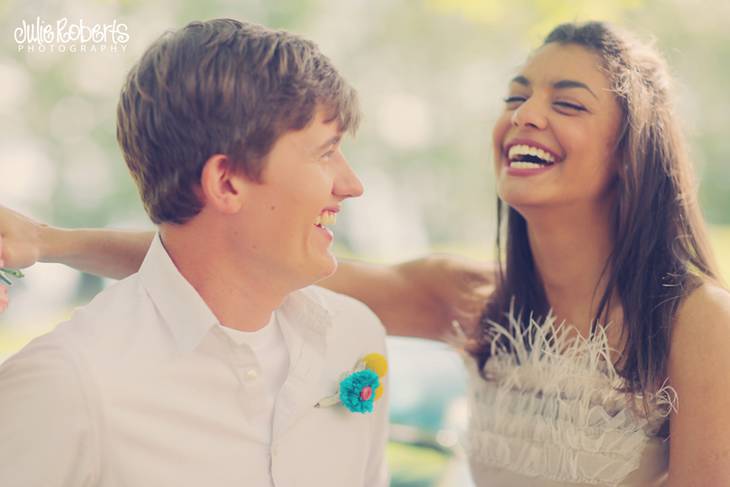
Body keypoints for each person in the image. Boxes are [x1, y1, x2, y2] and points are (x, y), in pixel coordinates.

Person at [3, 20, 730, 486]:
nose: (526, 114)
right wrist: (47, 242)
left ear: (631, 153)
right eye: (517, 95)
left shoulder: (697, 324)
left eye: (567, 102)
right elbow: (215, 261)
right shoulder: (473, 299)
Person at [0, 19, 391, 487]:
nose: (352, 185)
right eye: (325, 153)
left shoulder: (355, 337)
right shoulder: (63, 386)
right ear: (226, 183)